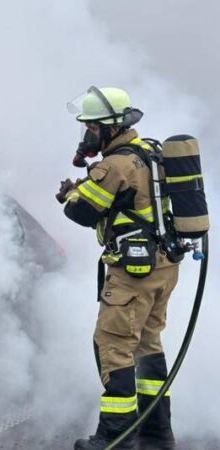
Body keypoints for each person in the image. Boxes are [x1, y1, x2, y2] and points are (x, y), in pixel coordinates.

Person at [57, 87, 179, 450]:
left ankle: (115, 437)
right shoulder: (151, 153)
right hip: (163, 267)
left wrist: (71, 195)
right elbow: (131, 200)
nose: (88, 135)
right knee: (147, 344)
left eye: (92, 128)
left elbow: (81, 212)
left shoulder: (116, 165)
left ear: (110, 127)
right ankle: (157, 433)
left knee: (113, 346)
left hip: (133, 275)